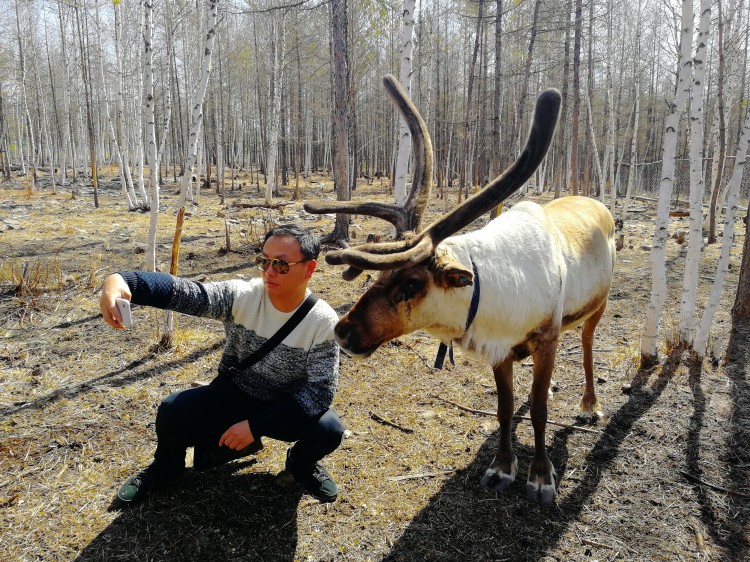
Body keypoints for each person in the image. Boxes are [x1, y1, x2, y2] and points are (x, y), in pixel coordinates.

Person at [100, 224, 344, 504]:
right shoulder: (243, 296)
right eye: (264, 260)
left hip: (285, 404)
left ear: (309, 268)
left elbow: (319, 392)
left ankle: (301, 465)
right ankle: (167, 468)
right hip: (235, 392)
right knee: (172, 411)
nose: (269, 271)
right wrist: (124, 281)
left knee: (328, 430)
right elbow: (188, 293)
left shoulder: (323, 321)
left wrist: (255, 425)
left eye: (282, 264)